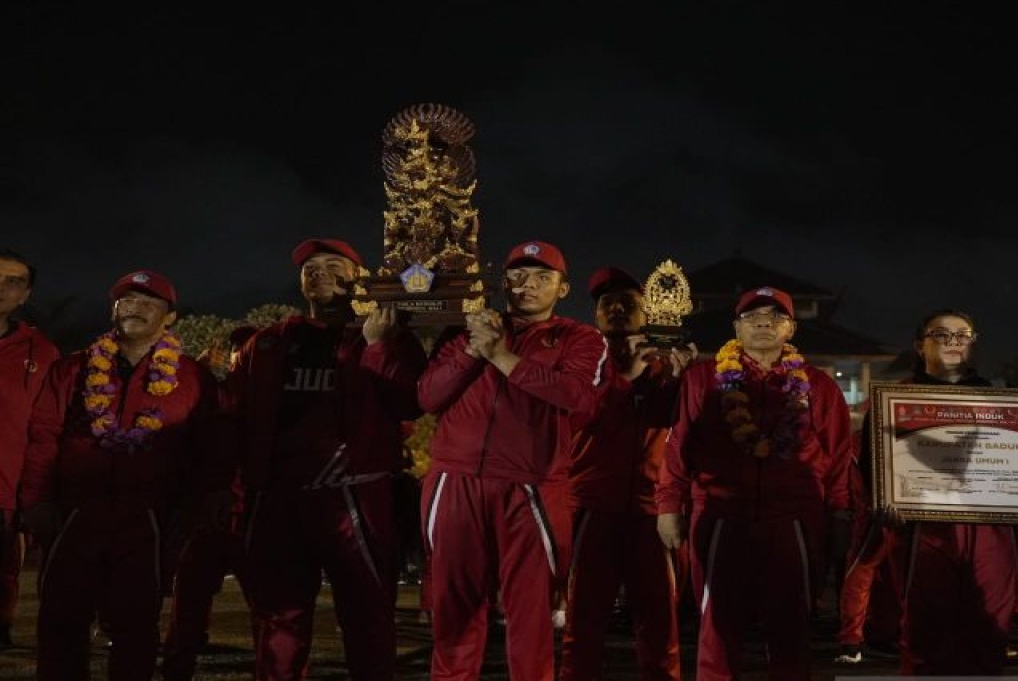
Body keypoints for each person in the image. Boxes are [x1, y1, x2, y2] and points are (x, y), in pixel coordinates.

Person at [225, 238, 427, 681]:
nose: (318, 272)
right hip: (279, 499)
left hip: (354, 499)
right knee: (279, 622)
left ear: (360, 276)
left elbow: (411, 402)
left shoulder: (388, 334)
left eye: (333, 264)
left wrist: (377, 346)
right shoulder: (269, 342)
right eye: (309, 267)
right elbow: (236, 420)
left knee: (368, 620)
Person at [418, 240, 607, 681]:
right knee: (454, 613)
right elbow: (428, 397)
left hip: (532, 486)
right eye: (519, 276)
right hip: (456, 479)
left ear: (563, 289)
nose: (529, 285)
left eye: (543, 277)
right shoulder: (464, 331)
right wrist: (472, 350)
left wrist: (501, 356)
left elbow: (578, 398)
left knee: (531, 616)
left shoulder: (581, 337)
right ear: (503, 282)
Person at [21, 270, 219, 680]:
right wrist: (37, 500)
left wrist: (190, 515)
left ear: (171, 317)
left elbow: (207, 453)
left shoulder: (192, 376)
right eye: (126, 300)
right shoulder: (74, 368)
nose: (134, 308)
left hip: (148, 521)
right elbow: (43, 436)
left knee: (135, 630)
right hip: (76, 517)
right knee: (60, 625)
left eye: (148, 302)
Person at [655, 286, 853, 680]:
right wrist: (668, 505)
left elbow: (838, 454)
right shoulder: (703, 378)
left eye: (775, 317)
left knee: (792, 628)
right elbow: (679, 444)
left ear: (791, 328)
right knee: (718, 627)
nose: (764, 323)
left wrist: (842, 513)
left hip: (794, 518)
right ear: (735, 327)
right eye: (752, 317)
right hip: (720, 516)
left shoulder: (818, 385)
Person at [559, 266, 694, 681]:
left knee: (658, 618)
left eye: (628, 303)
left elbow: (681, 422)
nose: (616, 310)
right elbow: (577, 414)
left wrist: (680, 377)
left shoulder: (666, 363)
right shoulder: (582, 357)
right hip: (591, 504)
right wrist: (625, 377)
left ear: (648, 310)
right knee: (583, 619)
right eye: (606, 303)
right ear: (595, 314)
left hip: (652, 509)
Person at [870, 309, 1018, 675]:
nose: (954, 342)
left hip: (991, 526)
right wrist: (884, 502)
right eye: (942, 334)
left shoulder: (1002, 400)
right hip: (925, 527)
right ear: (919, 345)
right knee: (926, 633)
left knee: (990, 630)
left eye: (963, 335)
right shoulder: (896, 398)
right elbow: (870, 467)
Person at [161, 324, 258, 681]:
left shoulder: (265, 396)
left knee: (265, 606)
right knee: (188, 600)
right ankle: (178, 666)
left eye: (243, 349)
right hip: (207, 515)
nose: (238, 356)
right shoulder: (213, 392)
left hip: (249, 515)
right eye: (236, 350)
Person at [0, 249, 60, 648]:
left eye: (14, 281)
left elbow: (47, 426)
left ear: (25, 295)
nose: (1, 288)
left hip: (5, 488)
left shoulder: (41, 352)